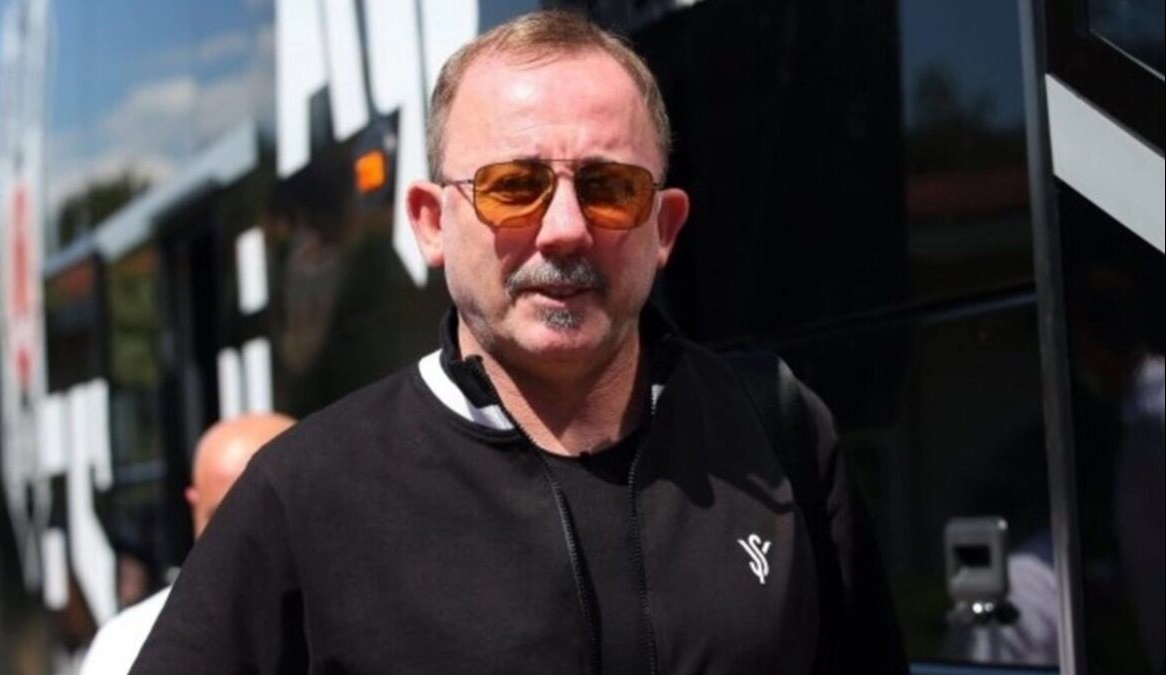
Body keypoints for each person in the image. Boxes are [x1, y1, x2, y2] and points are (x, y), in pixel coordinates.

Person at [131, 10, 905, 674]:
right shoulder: (306, 490)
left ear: (664, 227)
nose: (565, 228)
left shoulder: (774, 430)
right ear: (431, 223)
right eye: (513, 187)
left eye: (609, 188)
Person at [80, 413, 295, 675]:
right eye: (221, 521)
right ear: (194, 504)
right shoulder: (127, 642)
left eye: (268, 520)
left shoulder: (333, 625)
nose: (242, 542)